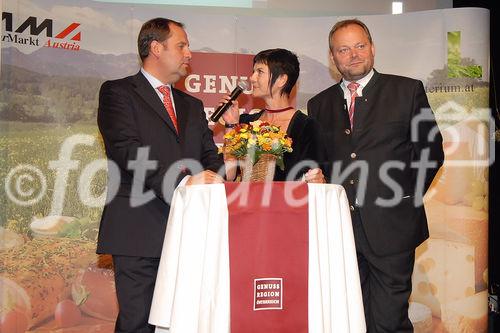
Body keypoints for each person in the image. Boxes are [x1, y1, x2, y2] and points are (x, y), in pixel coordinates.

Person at [307, 19, 444, 332]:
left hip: (392, 229)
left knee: (388, 321)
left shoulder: (407, 90)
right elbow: (322, 164)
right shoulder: (319, 104)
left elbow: (431, 152)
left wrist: (401, 199)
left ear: (372, 48)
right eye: (344, 49)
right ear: (332, 57)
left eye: (360, 46)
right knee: (349, 319)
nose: (353, 55)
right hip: (340, 231)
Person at [96, 18, 224, 333]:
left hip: (190, 232)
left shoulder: (192, 105)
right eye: (181, 45)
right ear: (156, 48)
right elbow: (126, 151)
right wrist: (181, 181)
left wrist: (222, 173)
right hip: (139, 229)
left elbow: (209, 157)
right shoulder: (118, 93)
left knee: (185, 323)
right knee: (138, 321)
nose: (189, 53)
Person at [220, 48, 325, 183]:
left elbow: (315, 178)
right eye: (253, 72)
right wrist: (231, 124)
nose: (252, 78)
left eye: (260, 72)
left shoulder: (306, 126)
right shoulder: (245, 122)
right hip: (247, 201)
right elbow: (229, 175)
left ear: (281, 79)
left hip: (288, 202)